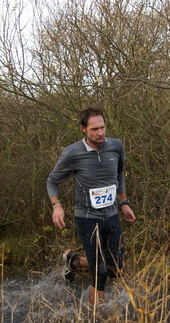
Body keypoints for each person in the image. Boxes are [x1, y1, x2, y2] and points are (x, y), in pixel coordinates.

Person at [47, 107, 136, 306]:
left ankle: (75, 261)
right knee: (100, 272)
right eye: (95, 129)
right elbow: (52, 180)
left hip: (111, 215)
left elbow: (119, 174)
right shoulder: (72, 153)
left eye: (103, 127)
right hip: (87, 218)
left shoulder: (116, 146)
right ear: (83, 129)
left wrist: (124, 203)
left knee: (115, 268)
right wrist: (57, 206)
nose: (101, 133)